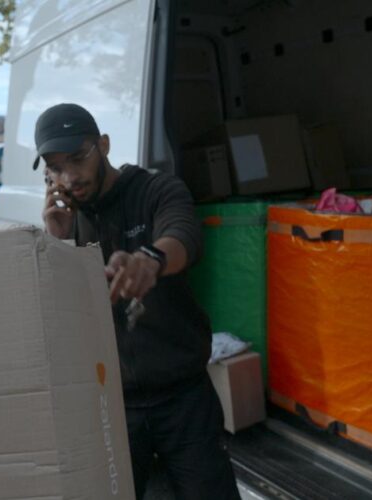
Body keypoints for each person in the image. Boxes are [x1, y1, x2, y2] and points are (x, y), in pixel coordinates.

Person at [36, 103, 239, 499]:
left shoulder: (155, 189)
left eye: (78, 158)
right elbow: (61, 313)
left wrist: (151, 260)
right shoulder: (67, 218)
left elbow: (183, 234)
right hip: (114, 403)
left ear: (104, 146)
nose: (70, 176)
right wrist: (56, 243)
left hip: (184, 396)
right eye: (56, 168)